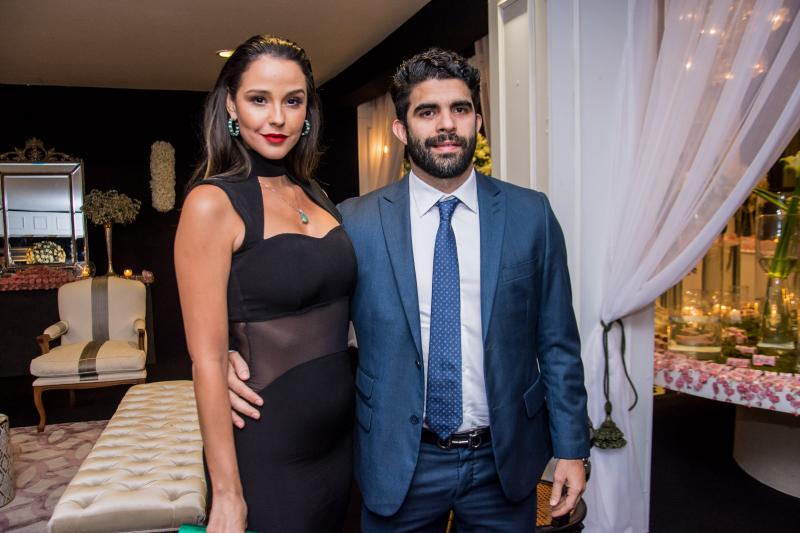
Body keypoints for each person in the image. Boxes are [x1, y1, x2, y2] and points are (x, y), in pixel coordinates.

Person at [227, 48, 590, 532]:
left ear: (478, 121)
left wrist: (571, 448)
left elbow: (559, 343)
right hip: (398, 458)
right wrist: (231, 352)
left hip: (505, 460)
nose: (447, 125)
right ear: (401, 129)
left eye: (460, 109)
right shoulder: (354, 222)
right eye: (427, 112)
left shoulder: (531, 215)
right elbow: (306, 311)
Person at [175, 35, 355, 533]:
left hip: (343, 444)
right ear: (231, 105)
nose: (277, 118)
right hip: (271, 449)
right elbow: (208, 361)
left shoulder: (314, 193)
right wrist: (227, 494)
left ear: (308, 112)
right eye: (259, 99)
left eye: (292, 101)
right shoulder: (212, 203)